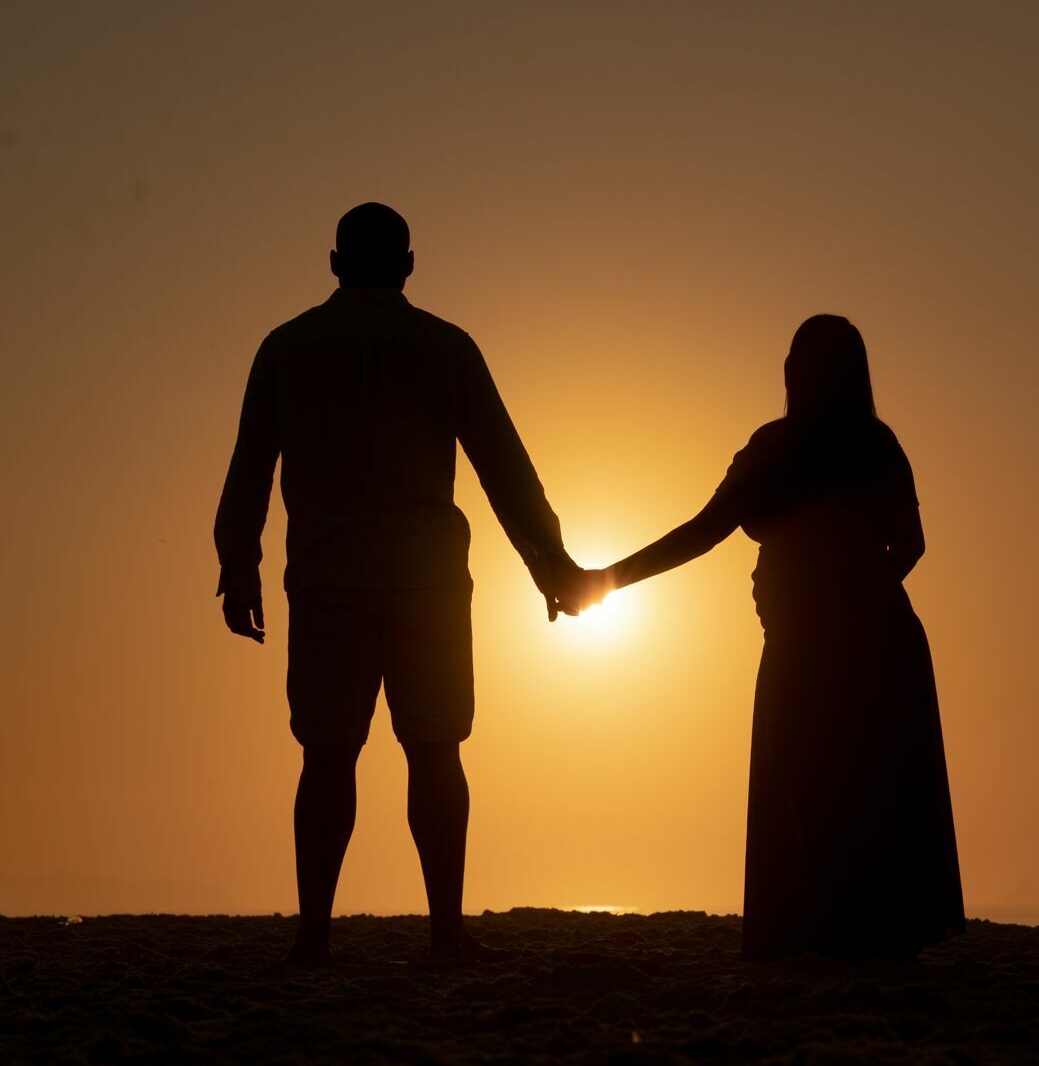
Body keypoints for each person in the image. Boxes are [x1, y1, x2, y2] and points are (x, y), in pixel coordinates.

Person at [213, 202, 582, 965]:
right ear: (409, 265)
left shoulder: (288, 347)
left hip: (328, 581)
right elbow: (505, 469)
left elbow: (251, 466)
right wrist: (551, 563)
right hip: (428, 586)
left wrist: (238, 562)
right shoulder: (445, 348)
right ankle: (445, 930)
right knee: (437, 751)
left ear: (334, 262)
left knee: (326, 755)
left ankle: (314, 933)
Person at [577, 315, 964, 961]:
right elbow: (913, 544)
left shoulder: (777, 447)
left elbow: (703, 531)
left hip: (809, 642)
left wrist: (607, 582)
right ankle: (876, 939)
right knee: (874, 790)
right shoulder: (879, 443)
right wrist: (858, 589)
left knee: (809, 785)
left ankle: (821, 937)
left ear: (794, 373)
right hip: (882, 637)